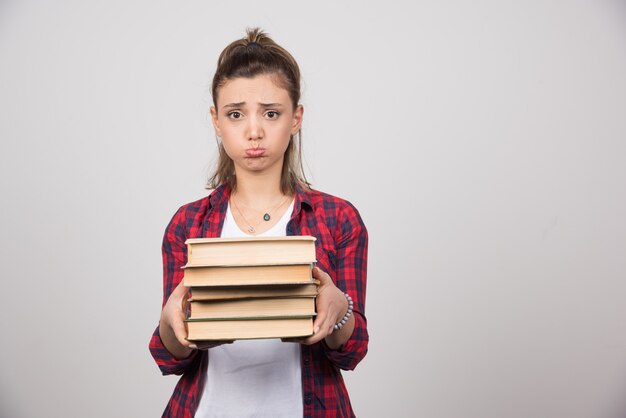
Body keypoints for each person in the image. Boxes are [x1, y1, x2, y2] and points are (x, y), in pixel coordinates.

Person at [149, 28, 369, 418]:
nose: (254, 131)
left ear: (296, 117)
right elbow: (171, 357)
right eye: (236, 114)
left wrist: (341, 309)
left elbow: (352, 350)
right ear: (217, 121)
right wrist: (172, 319)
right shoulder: (187, 225)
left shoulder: (338, 219)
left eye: (271, 113)